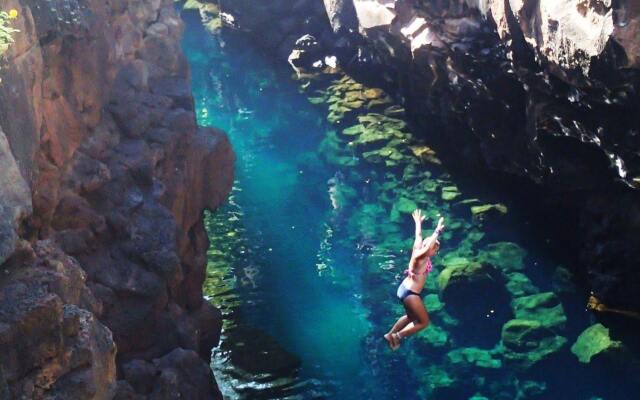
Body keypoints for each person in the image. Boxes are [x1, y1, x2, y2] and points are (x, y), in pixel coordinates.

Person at [384, 209, 444, 350]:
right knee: (423, 322)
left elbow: (418, 235)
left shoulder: (418, 248)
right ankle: (397, 336)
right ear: (429, 249)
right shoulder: (421, 256)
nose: (435, 252)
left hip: (405, 289)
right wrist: (437, 231)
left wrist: (418, 222)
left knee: (410, 317)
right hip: (411, 294)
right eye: (435, 250)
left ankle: (390, 334)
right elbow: (429, 246)